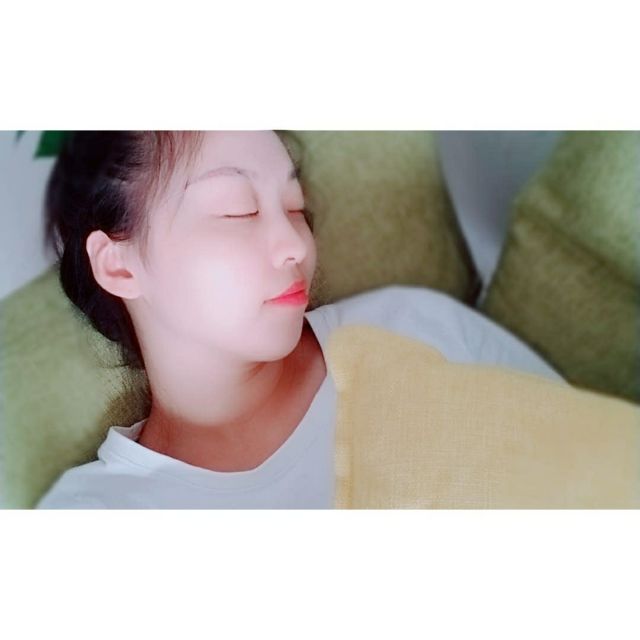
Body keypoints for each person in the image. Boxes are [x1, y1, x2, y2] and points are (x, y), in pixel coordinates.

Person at [36, 130, 565, 509]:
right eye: (238, 210)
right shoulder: (96, 511)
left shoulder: (415, 328)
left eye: (294, 206)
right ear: (120, 266)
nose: (295, 244)